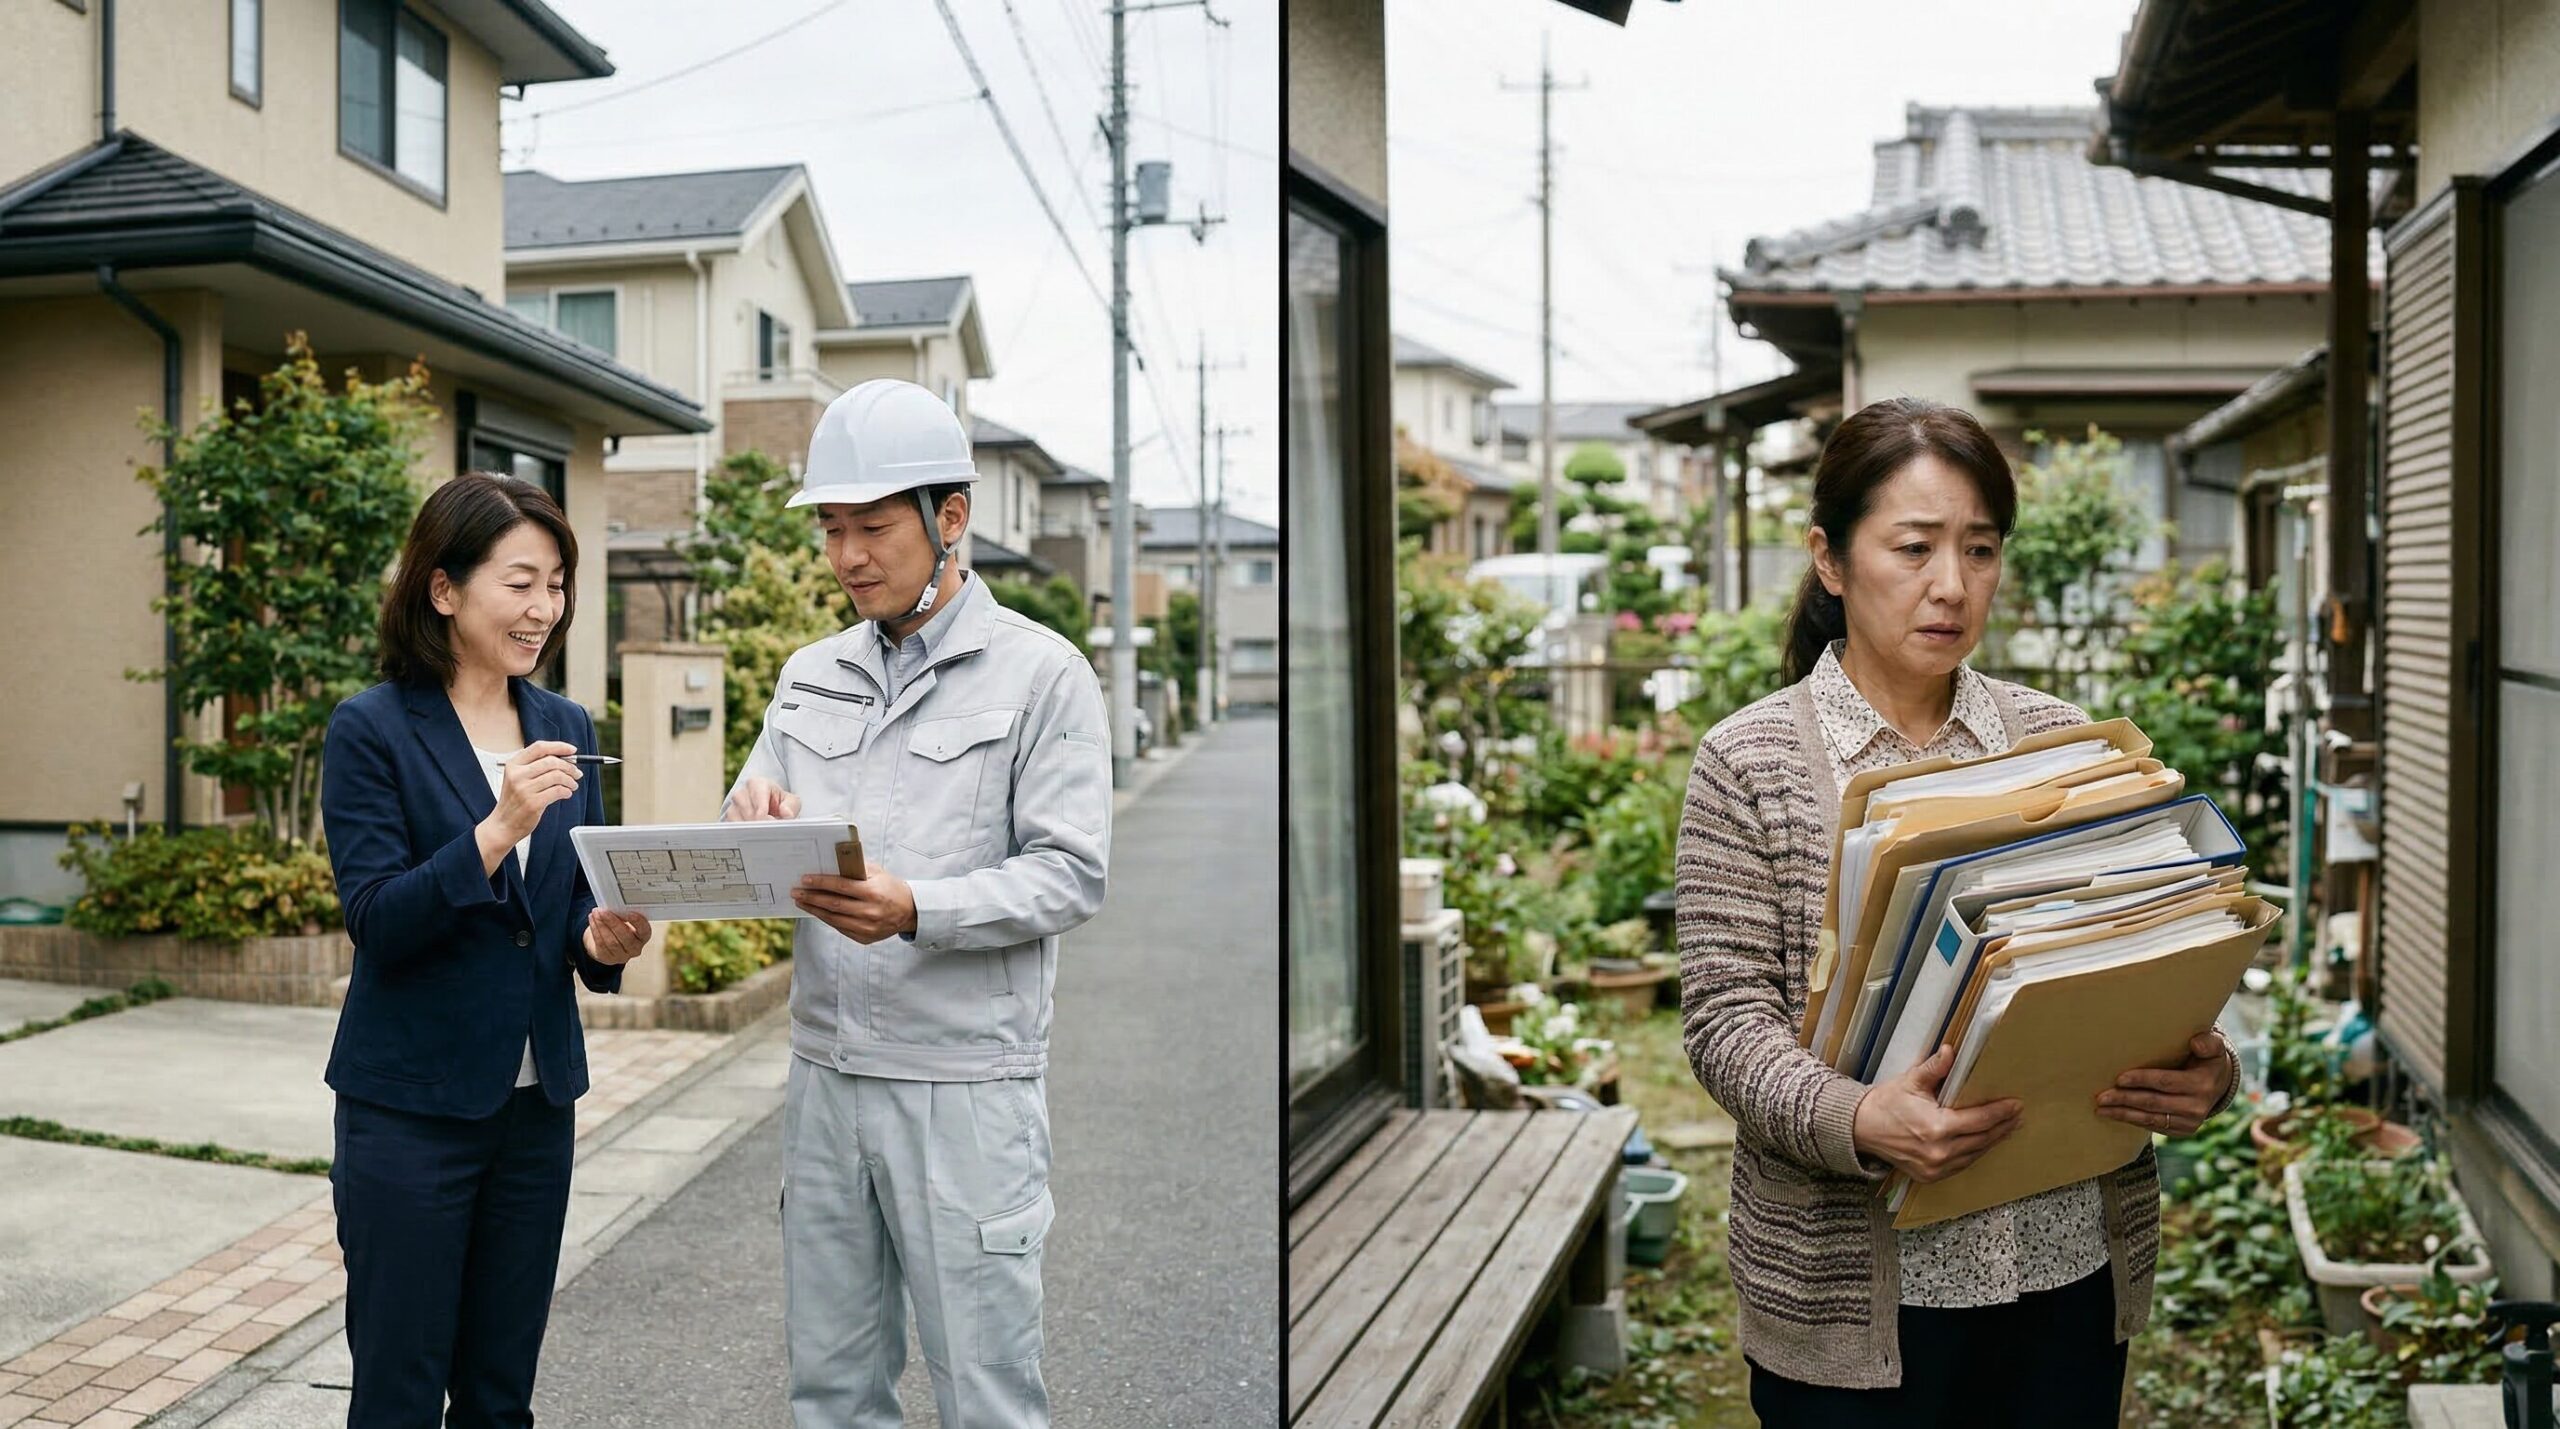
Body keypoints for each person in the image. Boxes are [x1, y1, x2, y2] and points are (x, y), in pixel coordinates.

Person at [1674, 398, 2240, 1428]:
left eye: (1979, 549)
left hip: (2064, 1270)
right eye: (1914, 547)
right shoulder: (1747, 762)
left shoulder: (2066, 742)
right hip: (1854, 1307)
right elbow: (1723, 1021)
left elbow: (2135, 955)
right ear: (1830, 560)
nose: (1951, 584)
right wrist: (1856, 1116)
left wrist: (2206, 1067)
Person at [721, 379, 1112, 1428]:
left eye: (873, 526)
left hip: (964, 1085)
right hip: (825, 1077)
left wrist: (916, 909)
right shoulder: (809, 675)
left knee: (985, 1393)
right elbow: (754, 811)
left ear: (950, 518)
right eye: (833, 527)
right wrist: (750, 810)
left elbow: (1070, 871)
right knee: (832, 1393)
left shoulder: (1042, 677)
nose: (848, 554)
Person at [319, 473, 651, 1428]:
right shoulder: (371, 727)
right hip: (410, 1110)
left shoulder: (567, 726)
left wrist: (606, 937)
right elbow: (377, 917)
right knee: (399, 1389)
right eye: (520, 581)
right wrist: (496, 827)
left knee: (502, 1395)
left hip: (534, 1112)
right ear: (444, 587)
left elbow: (577, 906)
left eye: (556, 583)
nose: (544, 608)